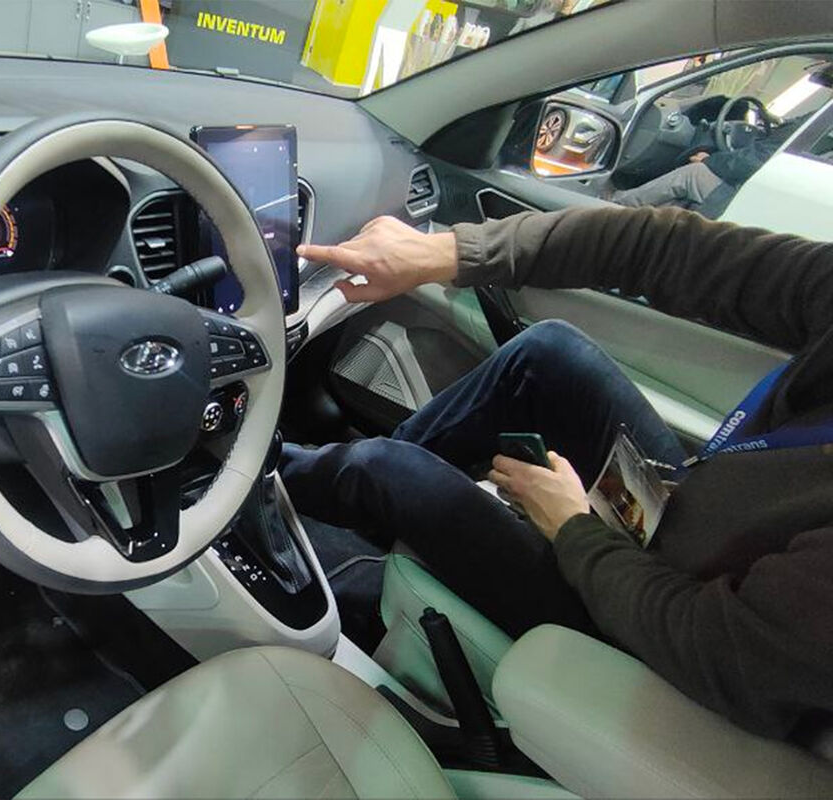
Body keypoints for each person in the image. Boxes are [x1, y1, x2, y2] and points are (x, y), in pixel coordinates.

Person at [282, 208, 833, 741]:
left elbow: (723, 656)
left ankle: (261, 478)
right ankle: (343, 513)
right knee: (546, 356)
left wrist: (574, 530)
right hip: (692, 519)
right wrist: (448, 252)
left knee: (386, 469)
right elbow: (661, 248)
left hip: (664, 636)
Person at [611, 111, 808, 211]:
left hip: (747, 198)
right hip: (771, 199)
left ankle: (614, 206)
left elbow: (755, 161)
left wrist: (710, 160)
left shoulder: (819, 122)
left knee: (694, 174)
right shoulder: (818, 122)